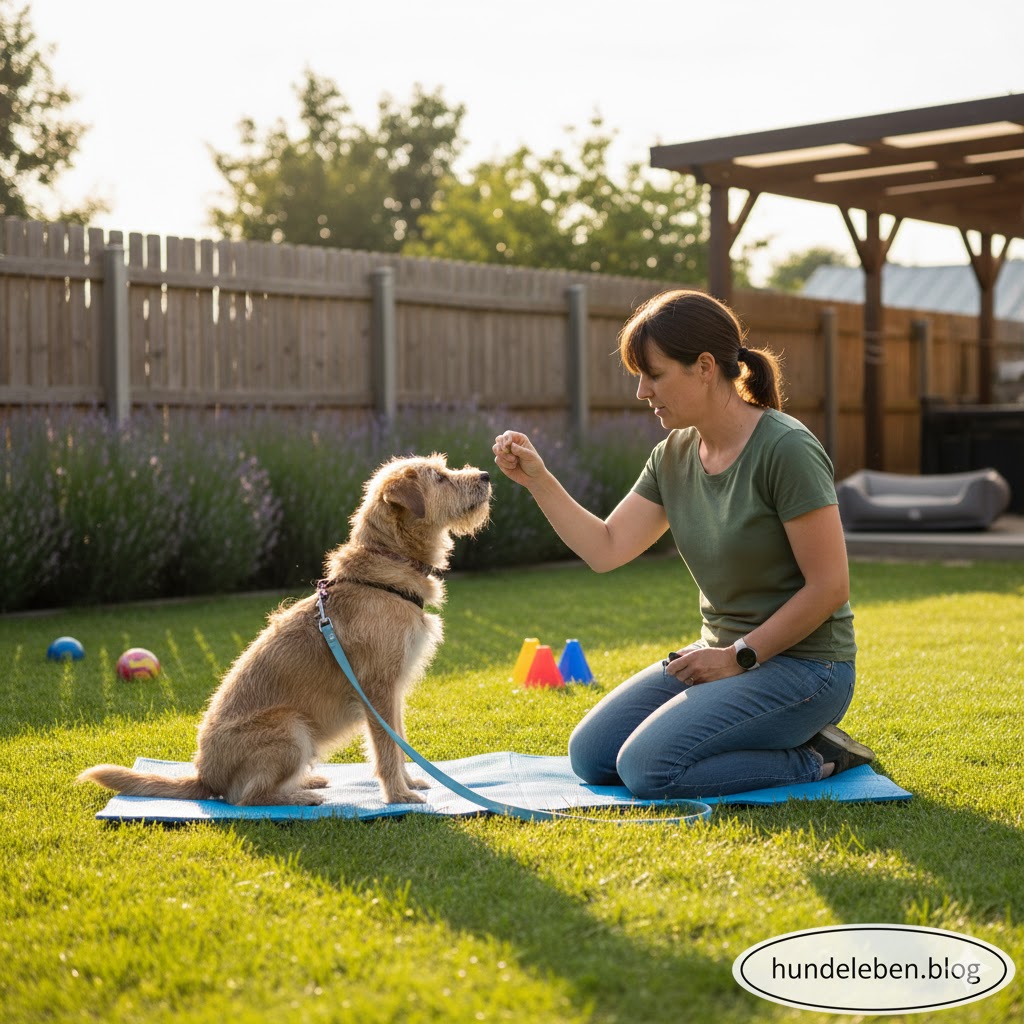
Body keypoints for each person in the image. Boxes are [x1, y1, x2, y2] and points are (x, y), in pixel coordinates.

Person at [492, 289, 874, 800]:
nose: (642, 392)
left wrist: (736, 657)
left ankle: (817, 755)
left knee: (649, 769)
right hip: (722, 657)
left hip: (807, 668)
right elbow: (606, 548)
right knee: (592, 756)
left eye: (654, 374)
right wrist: (538, 479)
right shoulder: (673, 454)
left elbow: (829, 587)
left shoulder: (786, 449)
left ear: (704, 366)